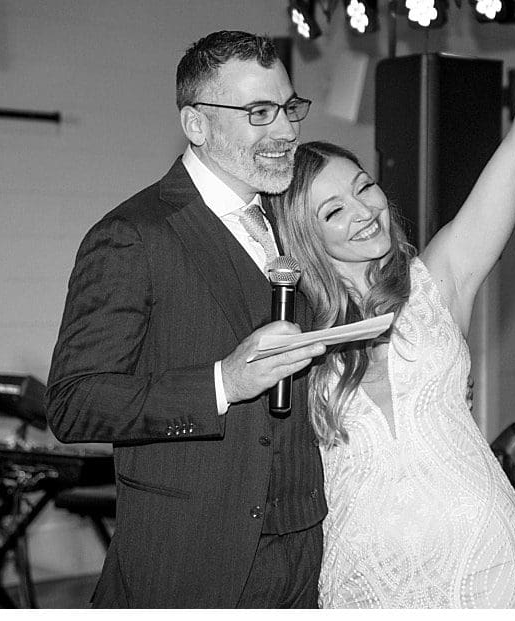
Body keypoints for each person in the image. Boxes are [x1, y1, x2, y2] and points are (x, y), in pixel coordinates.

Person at [274, 0, 515, 610]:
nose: (364, 212)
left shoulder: (438, 280)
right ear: (306, 237)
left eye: (365, 187)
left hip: (485, 557)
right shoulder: (294, 334)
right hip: (364, 574)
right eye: (334, 211)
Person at [48, 30, 337, 606]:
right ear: (197, 125)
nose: (285, 131)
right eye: (259, 113)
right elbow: (74, 404)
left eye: (289, 108)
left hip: (305, 548)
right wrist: (222, 383)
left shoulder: (298, 221)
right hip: (191, 557)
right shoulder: (133, 235)